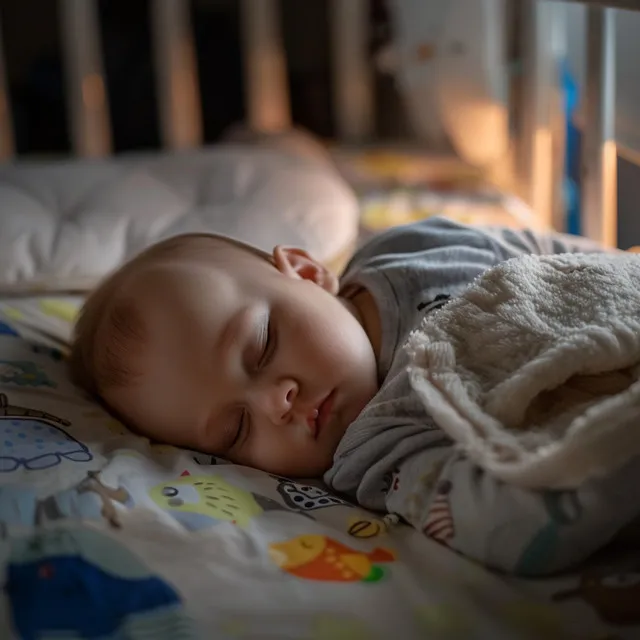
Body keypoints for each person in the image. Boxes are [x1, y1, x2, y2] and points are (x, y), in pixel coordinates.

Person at [70, 217, 636, 575]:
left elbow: (555, 252)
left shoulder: (410, 247)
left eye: (262, 345)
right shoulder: (377, 452)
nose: (276, 403)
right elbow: (508, 526)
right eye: (236, 432)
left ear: (309, 273)